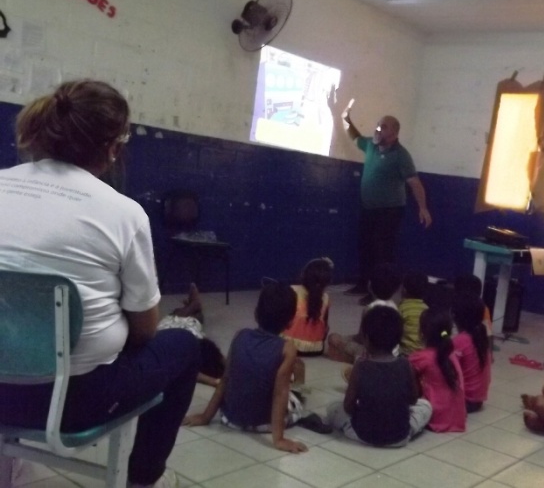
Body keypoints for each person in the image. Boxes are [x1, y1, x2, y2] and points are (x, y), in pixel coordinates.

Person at [0, 80, 200, 488]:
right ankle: (144, 478)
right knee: (186, 343)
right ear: (112, 147)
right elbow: (144, 330)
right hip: (69, 404)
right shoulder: (124, 214)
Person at [182, 283, 331, 453]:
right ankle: (301, 402)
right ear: (290, 322)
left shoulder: (240, 336)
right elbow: (280, 394)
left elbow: (226, 379)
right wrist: (279, 439)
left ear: (256, 313)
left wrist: (205, 417)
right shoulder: (287, 349)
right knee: (299, 371)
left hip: (230, 418)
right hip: (265, 424)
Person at [334, 93, 432, 305]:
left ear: (394, 133)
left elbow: (415, 183)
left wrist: (423, 208)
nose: (378, 129)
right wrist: (345, 118)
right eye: (378, 125)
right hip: (368, 208)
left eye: (384, 126)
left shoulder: (401, 155)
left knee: (382, 253)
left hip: (390, 211)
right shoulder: (370, 145)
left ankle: (379, 293)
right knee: (365, 246)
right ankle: (363, 284)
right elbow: (354, 135)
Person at [327, 304, 432, 447]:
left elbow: (348, 406)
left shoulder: (360, 365)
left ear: (366, 338)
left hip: (363, 435)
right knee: (425, 406)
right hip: (400, 437)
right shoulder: (405, 364)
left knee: (333, 408)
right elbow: (413, 399)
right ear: (398, 339)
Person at [326, 262, 402, 365]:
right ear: (396, 289)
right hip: (393, 353)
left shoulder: (369, 309)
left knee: (333, 338)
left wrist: (345, 341)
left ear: (369, 286)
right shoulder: (396, 309)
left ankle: (355, 359)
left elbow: (362, 338)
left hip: (371, 352)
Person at [157, 282, 225, 387]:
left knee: (180, 315)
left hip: (172, 332)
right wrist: (214, 381)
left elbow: (191, 372)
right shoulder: (194, 351)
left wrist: (213, 381)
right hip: (187, 333)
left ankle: (193, 305)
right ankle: (193, 305)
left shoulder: (179, 358)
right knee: (194, 318)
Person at [409, 308, 466, 432]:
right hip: (458, 418)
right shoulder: (452, 354)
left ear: (422, 333)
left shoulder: (421, 357)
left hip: (436, 418)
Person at [282, 257, 334, 356]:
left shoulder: (292, 290)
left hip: (288, 345)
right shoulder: (326, 298)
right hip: (316, 349)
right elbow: (326, 326)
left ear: (303, 275)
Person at [452, 294, 492, 413]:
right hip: (478, 400)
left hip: (465, 401)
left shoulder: (460, 340)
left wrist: (443, 335)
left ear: (456, 317)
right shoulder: (482, 338)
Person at [398, 270, 429, 355]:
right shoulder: (427, 309)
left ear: (404, 290)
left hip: (405, 353)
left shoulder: (402, 308)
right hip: (423, 353)